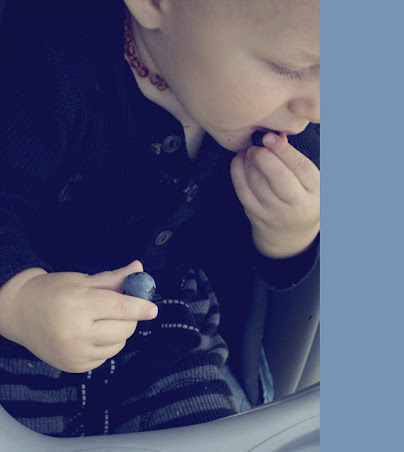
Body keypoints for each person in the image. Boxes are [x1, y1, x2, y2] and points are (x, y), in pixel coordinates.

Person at [0, 0, 319, 437]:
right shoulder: (52, 71)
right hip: (25, 328)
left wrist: (289, 233)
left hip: (169, 325)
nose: (317, 107)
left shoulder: (285, 121)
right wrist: (19, 300)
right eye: (290, 67)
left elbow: (259, 269)